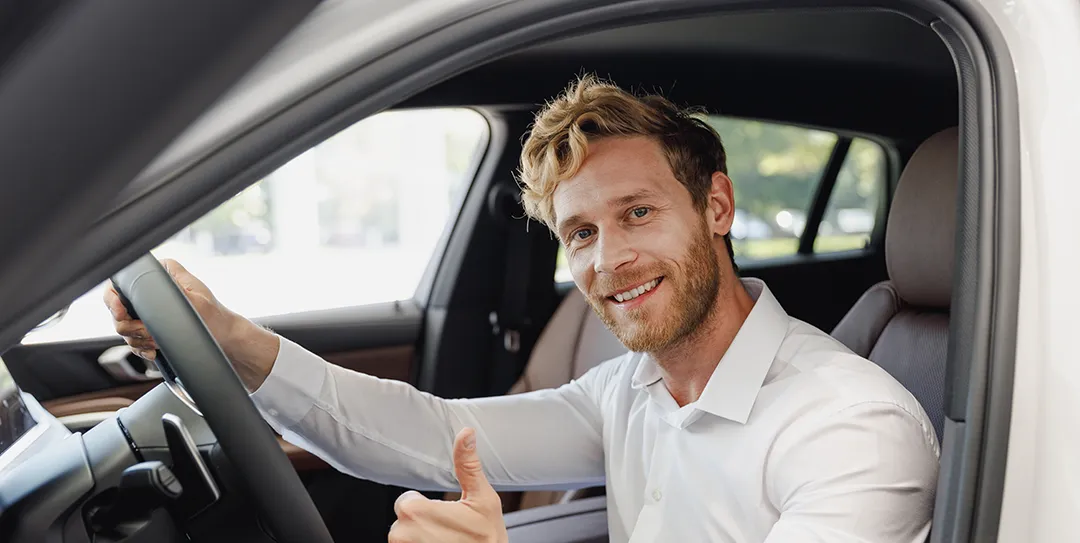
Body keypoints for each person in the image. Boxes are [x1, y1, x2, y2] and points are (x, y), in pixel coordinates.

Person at [105, 75, 939, 543]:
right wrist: (233, 340)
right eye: (580, 232)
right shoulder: (633, 390)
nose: (610, 259)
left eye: (638, 212)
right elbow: (433, 435)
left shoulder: (849, 429)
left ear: (716, 206)